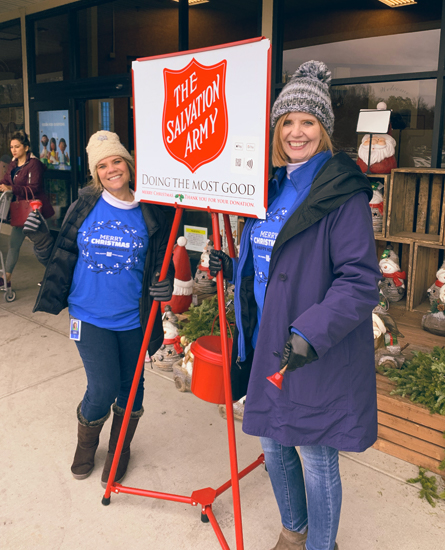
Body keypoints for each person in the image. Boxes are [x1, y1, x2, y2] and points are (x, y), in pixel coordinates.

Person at [209, 61, 381, 550]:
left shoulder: (341, 192)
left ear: (323, 130)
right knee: (271, 441)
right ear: (276, 130)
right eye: (287, 122)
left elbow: (360, 280)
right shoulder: (271, 186)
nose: (296, 132)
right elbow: (268, 258)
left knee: (314, 452)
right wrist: (235, 261)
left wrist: (310, 332)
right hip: (266, 338)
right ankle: (293, 528)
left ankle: (321, 545)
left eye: (307, 122)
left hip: (309, 345)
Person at [23, 130, 174, 487]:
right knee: (103, 388)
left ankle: (120, 449)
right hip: (88, 316)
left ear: (129, 164)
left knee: (132, 389)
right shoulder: (85, 205)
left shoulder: (152, 209)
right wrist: (42, 239)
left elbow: (162, 262)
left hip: (133, 318)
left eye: (116, 160)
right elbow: (59, 258)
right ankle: (86, 447)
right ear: (96, 173)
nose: (111, 170)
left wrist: (164, 285)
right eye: (102, 165)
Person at [0, 130, 53, 289]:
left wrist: (12, 188)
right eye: (11, 147)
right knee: (14, 245)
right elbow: (5, 180)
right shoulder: (13, 164)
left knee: (42, 249)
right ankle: (6, 278)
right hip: (20, 211)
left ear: (26, 147)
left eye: (17, 146)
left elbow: (34, 188)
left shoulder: (34, 164)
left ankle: (55, 276)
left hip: (35, 212)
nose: (13, 150)